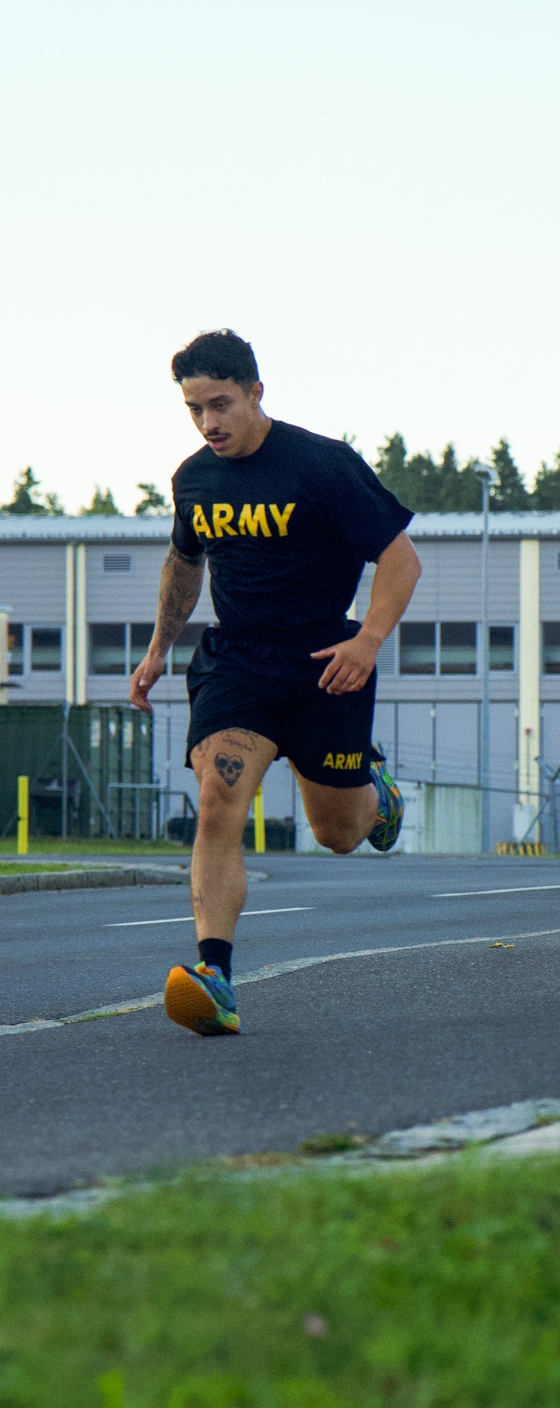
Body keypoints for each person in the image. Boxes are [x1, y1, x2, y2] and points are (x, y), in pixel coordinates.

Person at [130, 329, 421, 1034]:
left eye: (220, 404)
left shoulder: (322, 467)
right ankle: (216, 976)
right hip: (239, 664)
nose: (209, 424)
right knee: (216, 796)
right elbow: (184, 562)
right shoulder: (194, 478)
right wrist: (159, 646)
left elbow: (399, 559)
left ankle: (371, 791)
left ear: (256, 392)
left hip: (327, 664)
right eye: (195, 409)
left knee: (341, 834)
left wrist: (368, 640)